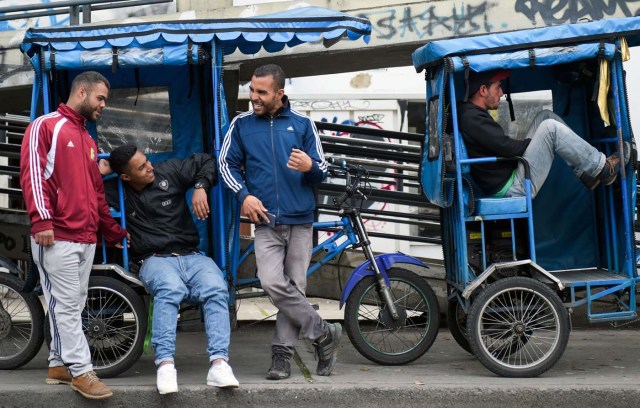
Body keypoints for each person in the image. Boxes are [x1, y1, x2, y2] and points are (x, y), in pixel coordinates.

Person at [219, 64, 341, 380]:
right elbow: (226, 165)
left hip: (300, 220)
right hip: (265, 221)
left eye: (262, 92)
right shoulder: (241, 125)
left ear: (279, 93)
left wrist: (310, 166)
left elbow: (324, 170)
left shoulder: (302, 125)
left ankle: (282, 356)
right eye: (252, 90)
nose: (254, 97)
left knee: (296, 287)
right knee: (272, 282)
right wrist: (243, 195)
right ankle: (323, 333)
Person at [19, 71, 128, 400]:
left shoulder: (88, 141)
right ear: (82, 92)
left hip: (85, 238)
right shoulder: (46, 126)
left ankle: (58, 364)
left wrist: (112, 231)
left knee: (71, 304)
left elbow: (96, 193)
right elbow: (33, 175)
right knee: (66, 306)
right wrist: (41, 221)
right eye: (100, 98)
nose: (103, 106)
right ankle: (82, 371)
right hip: (57, 235)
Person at [101, 144, 239, 394]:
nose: (149, 167)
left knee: (217, 288)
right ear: (125, 176)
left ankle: (219, 364)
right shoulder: (116, 190)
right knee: (170, 289)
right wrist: (100, 170)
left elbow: (207, 160)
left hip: (192, 255)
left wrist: (200, 187)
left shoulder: (169, 171)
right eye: (141, 167)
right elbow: (76, 188)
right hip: (153, 259)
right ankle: (165, 365)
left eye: (147, 161)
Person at [457, 69, 625, 199]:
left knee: (545, 117)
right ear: (483, 90)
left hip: (509, 174)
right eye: (498, 87)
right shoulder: (472, 117)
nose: (501, 93)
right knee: (549, 129)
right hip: (511, 187)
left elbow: (502, 145)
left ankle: (585, 173)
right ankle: (602, 169)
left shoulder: (472, 114)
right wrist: (536, 142)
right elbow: (506, 147)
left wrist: (534, 143)